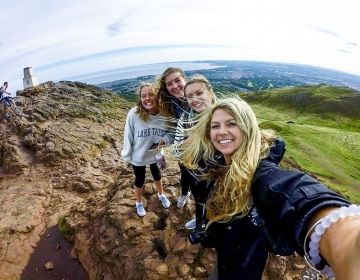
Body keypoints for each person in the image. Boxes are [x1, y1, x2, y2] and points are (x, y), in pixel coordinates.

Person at [180, 96, 360, 280]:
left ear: (247, 129)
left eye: (231, 124)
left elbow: (291, 193)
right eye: (215, 126)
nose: (222, 132)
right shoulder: (218, 166)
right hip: (224, 257)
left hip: (245, 268)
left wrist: (346, 241)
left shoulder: (261, 173)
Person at [121, 83, 172, 217]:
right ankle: (138, 202)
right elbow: (128, 135)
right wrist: (127, 155)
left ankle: (161, 194)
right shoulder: (134, 113)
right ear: (140, 98)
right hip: (139, 155)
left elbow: (171, 132)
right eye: (143, 96)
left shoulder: (165, 114)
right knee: (140, 179)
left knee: (157, 174)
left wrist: (165, 140)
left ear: (158, 97)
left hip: (156, 154)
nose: (147, 98)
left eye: (151, 95)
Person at [173, 75, 216, 231]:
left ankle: (207, 222)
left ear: (210, 93)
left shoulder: (222, 115)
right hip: (192, 168)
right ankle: (200, 221)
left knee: (213, 199)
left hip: (217, 173)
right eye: (190, 96)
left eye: (199, 93)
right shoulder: (186, 117)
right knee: (199, 198)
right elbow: (177, 147)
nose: (194, 99)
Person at [157, 67, 194, 209]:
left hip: (201, 150)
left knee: (201, 179)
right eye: (169, 84)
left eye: (177, 80)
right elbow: (173, 131)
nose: (174, 86)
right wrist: (164, 141)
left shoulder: (198, 98)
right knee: (184, 173)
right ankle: (185, 193)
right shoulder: (170, 105)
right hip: (182, 151)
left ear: (185, 80)